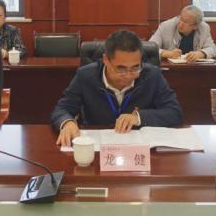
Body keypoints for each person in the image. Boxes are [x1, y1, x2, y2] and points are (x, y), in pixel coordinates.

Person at [52, 30, 184, 147]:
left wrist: (138, 117)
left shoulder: (152, 75)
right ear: (106, 60)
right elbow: (62, 109)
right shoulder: (86, 76)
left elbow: (174, 112)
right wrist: (67, 122)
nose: (128, 75)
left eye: (135, 67)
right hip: (97, 147)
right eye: (121, 68)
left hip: (137, 147)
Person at [149, 5, 216, 62]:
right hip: (170, 68)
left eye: (185, 22)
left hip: (194, 68)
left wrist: (201, 53)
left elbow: (213, 49)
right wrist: (167, 53)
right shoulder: (166, 26)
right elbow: (149, 48)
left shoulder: (204, 28)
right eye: (180, 19)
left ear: (195, 26)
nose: (180, 24)